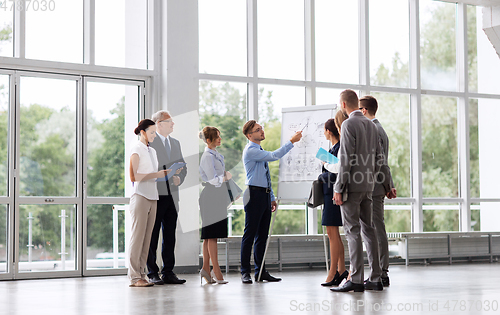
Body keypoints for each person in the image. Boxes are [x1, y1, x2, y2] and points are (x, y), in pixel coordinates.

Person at [331, 89, 385, 293]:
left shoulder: (348, 124)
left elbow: (345, 158)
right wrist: (371, 178)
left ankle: (355, 279)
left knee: (352, 231)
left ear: (343, 105)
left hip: (351, 187)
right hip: (368, 186)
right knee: (369, 230)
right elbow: (380, 158)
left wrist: (339, 187)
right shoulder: (372, 126)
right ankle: (376, 278)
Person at [240, 120, 302, 284]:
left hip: (264, 195)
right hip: (253, 195)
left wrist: (271, 197)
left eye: (261, 128)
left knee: (262, 236)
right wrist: (291, 142)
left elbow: (265, 176)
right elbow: (274, 156)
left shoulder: (259, 149)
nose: (261, 131)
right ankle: (245, 272)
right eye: (257, 130)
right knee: (250, 235)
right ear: (249, 135)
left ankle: (261, 272)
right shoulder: (251, 150)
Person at [359, 95, 397, 287]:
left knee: (376, 228)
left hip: (374, 187)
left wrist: (388, 185)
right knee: (375, 228)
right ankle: (381, 270)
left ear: (364, 111)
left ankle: (382, 271)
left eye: (359, 110)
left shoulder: (374, 129)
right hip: (377, 185)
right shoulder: (378, 128)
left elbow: (381, 162)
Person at [146, 110, 187, 285]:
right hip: (156, 194)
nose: (173, 124)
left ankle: (168, 272)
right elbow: (148, 168)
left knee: (170, 235)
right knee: (153, 235)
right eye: (169, 121)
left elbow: (183, 167)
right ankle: (152, 272)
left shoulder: (176, 143)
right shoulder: (151, 143)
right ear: (159, 124)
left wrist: (179, 178)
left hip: (173, 195)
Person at [128, 119, 169, 287]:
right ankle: (134, 277)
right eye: (152, 132)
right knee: (137, 238)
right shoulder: (136, 148)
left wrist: (163, 175)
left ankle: (141, 275)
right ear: (143, 132)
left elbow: (152, 174)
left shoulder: (152, 151)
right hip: (140, 196)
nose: (154, 135)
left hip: (153, 197)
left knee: (147, 239)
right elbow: (133, 177)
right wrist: (156, 175)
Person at [198, 126, 232, 285]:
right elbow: (213, 180)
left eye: (219, 136)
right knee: (211, 235)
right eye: (216, 137)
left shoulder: (215, 155)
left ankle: (206, 268)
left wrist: (224, 178)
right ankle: (216, 272)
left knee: (209, 235)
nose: (220, 139)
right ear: (209, 140)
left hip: (216, 195)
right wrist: (225, 178)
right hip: (211, 195)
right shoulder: (207, 156)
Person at [318, 113, 349, 287]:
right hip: (331, 194)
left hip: (333, 194)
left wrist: (321, 175)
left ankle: (333, 272)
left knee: (333, 234)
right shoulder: (333, 150)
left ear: (328, 131)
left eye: (324, 131)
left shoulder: (336, 150)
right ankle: (341, 269)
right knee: (333, 234)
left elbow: (334, 174)